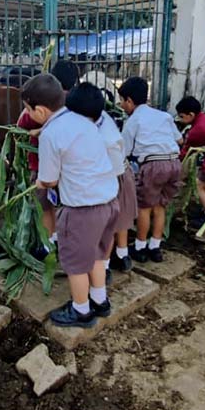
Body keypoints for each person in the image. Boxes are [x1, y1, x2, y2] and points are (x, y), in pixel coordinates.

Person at [22, 73, 119, 328]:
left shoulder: (50, 135)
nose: (28, 114)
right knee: (97, 256)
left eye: (28, 109)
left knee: (75, 264)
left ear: (40, 110)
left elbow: (50, 179)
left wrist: (39, 182)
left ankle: (82, 311)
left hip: (82, 210)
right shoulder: (83, 121)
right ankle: (100, 301)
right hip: (109, 202)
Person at [66, 82, 137, 281]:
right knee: (119, 221)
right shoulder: (99, 116)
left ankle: (105, 266)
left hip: (115, 179)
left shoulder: (106, 138)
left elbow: (112, 170)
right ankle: (121, 256)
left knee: (109, 227)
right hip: (113, 175)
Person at [17, 60, 79, 254]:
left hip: (43, 169)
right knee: (64, 206)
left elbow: (20, 125)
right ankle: (61, 239)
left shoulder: (35, 114)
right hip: (69, 170)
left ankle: (47, 243)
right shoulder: (77, 105)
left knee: (45, 207)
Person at [119, 76, 182, 263]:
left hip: (153, 165)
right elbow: (179, 140)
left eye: (122, 101)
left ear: (129, 100)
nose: (122, 105)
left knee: (144, 208)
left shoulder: (133, 121)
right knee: (160, 205)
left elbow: (125, 150)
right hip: (173, 163)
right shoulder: (164, 116)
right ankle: (156, 246)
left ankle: (140, 247)